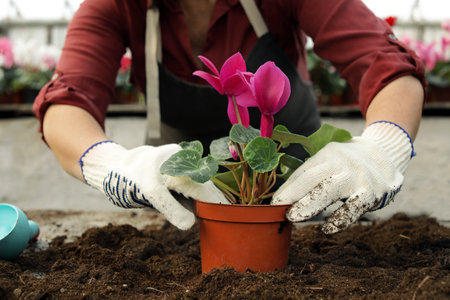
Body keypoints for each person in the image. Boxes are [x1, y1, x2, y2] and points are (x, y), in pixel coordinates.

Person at [33, 0, 426, 234]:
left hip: (306, 209)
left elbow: (387, 65)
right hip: (181, 222)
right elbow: (69, 100)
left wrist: (382, 148)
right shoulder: (118, 5)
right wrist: (110, 163)